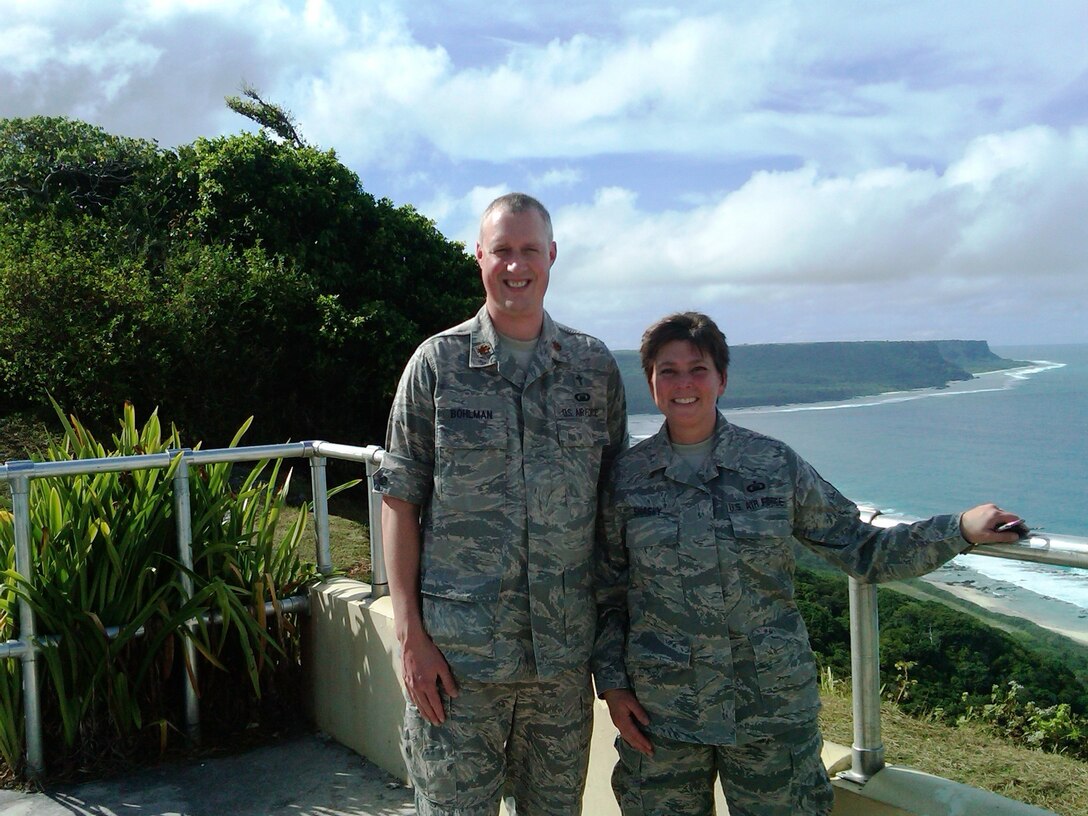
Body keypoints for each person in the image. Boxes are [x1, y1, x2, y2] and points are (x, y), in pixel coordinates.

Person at [592, 311, 1026, 816]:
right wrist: (613, 685)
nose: (683, 383)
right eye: (668, 370)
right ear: (650, 383)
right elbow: (606, 592)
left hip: (771, 712)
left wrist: (958, 530)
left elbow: (862, 547)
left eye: (698, 369)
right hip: (661, 715)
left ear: (722, 379)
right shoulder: (626, 480)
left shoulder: (773, 465)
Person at [374, 193, 628, 815]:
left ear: (553, 257)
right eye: (503, 251)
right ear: (480, 256)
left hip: (562, 663)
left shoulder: (592, 367)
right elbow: (399, 501)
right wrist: (410, 636)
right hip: (458, 661)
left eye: (530, 251)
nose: (517, 266)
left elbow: (614, 508)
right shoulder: (436, 365)